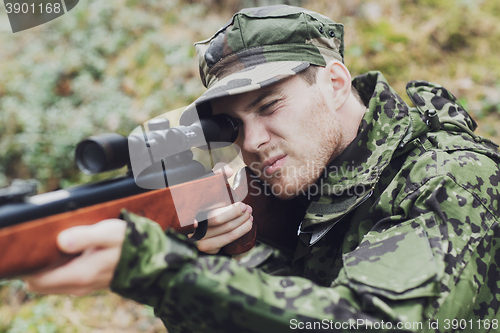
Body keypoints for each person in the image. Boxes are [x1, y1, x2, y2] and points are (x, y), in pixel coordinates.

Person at [24, 5, 500, 332]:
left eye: (270, 106)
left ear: (335, 83)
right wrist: (221, 263)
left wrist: (163, 270)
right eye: (232, 125)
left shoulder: (450, 178)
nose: (251, 142)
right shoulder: (299, 190)